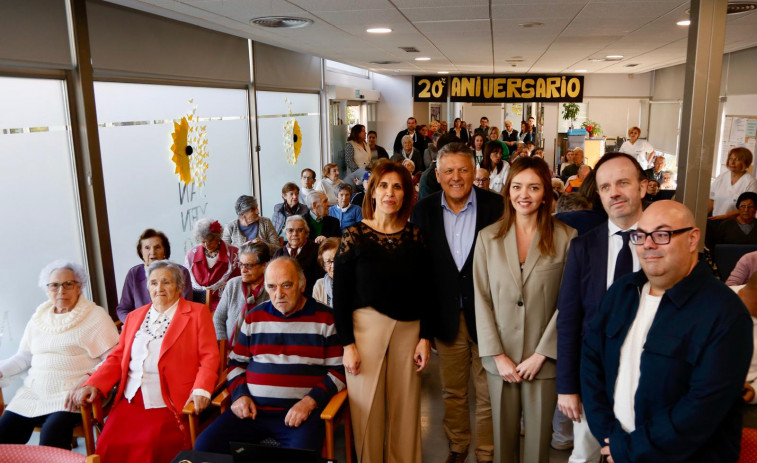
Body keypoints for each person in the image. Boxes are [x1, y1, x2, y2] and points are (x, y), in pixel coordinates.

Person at [581, 200, 753, 463]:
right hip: (616, 449)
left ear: (693, 239)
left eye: (662, 234)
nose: (648, 244)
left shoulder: (724, 313)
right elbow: (591, 363)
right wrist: (610, 437)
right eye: (641, 235)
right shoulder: (622, 292)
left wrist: (630, 449)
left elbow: (702, 409)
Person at [474, 157, 576, 463]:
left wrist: (542, 353)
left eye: (533, 187)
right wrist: (496, 354)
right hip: (500, 359)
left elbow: (569, 303)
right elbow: (481, 298)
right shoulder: (487, 238)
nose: (524, 194)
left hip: (541, 362)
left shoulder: (566, 237)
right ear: (507, 191)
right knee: (502, 445)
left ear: (546, 193)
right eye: (517, 186)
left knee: (537, 447)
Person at [194, 257, 345, 454]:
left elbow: (340, 371)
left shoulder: (326, 319)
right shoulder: (254, 317)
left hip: (299, 415)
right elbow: (235, 364)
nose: (278, 294)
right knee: (204, 446)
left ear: (302, 284)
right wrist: (240, 396)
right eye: (271, 287)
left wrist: (310, 402)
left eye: (286, 285)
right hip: (252, 412)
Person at [411, 142, 504, 463]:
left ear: (474, 171)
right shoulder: (423, 211)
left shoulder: (497, 207)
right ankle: (458, 446)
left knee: (489, 393)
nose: (456, 177)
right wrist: (423, 330)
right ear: (437, 175)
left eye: (463, 170)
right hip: (446, 319)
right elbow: (419, 274)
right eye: (448, 171)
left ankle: (486, 453)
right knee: (453, 391)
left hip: (491, 318)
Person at [333, 160, 432, 462]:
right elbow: (341, 295)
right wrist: (347, 345)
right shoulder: (354, 236)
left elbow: (427, 291)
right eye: (384, 186)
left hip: (409, 330)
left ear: (406, 195)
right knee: (367, 412)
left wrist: (425, 338)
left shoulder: (416, 236)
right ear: (372, 192)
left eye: (398, 186)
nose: (390, 193)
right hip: (364, 332)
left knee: (406, 410)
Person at [74, 260, 219, 463]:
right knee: (107, 444)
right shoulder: (134, 317)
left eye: (166, 282)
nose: (159, 288)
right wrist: (95, 384)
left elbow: (209, 357)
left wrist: (201, 390)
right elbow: (117, 356)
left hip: (169, 401)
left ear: (179, 287)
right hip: (131, 400)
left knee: (150, 446)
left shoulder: (197, 313)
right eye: (153, 283)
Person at [556, 152, 647, 463]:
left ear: (643, 187)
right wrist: (568, 386)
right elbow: (569, 320)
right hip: (593, 380)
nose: (615, 192)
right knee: (584, 455)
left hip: (648, 378)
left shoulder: (661, 243)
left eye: (623, 183)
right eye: (606, 186)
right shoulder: (583, 246)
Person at [0, 261, 118, 449]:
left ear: (79, 287)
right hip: (34, 392)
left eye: (68, 284)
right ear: (47, 289)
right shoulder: (39, 317)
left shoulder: (95, 315)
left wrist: (88, 380)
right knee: (4, 432)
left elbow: (114, 357)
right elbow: (23, 358)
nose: (61, 290)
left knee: (52, 436)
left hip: (72, 394)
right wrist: (1, 371)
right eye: (54, 285)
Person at [116, 228, 193, 323]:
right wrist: (133, 324)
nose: (152, 252)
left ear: (165, 250)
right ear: (141, 251)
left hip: (172, 325)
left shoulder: (180, 272)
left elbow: (185, 307)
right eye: (147, 248)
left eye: (157, 247)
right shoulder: (134, 274)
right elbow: (123, 309)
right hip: (141, 327)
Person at [213, 242, 271, 345]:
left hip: (262, 350)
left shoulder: (272, 289)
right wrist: (223, 345)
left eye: (248, 265)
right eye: (241, 264)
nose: (243, 270)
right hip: (229, 350)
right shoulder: (233, 284)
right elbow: (218, 318)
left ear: (264, 266)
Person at [185, 218, 241, 311]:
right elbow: (187, 285)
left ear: (217, 237)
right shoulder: (191, 256)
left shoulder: (234, 254)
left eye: (210, 241)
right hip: (197, 308)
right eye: (203, 242)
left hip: (225, 307)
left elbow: (239, 284)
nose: (207, 245)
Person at [272, 215, 324, 297]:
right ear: (285, 233)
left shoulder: (317, 251)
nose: (295, 234)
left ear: (306, 233)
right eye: (290, 230)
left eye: (299, 230)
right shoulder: (279, 253)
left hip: (309, 297)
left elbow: (319, 281)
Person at [710, 147, 757, 220]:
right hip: (715, 219)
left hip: (736, 223)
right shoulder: (721, 177)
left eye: (737, 159)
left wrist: (725, 216)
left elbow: (749, 208)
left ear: (746, 162)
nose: (732, 162)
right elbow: (711, 199)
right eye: (730, 158)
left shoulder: (750, 182)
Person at [313, 237, 340, 308]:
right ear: (323, 266)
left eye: (336, 259)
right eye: (328, 261)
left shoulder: (358, 283)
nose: (333, 265)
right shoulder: (319, 285)